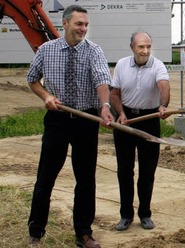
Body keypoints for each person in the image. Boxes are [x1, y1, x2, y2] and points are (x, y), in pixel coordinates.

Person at [26, 5, 112, 248]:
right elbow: (32, 79)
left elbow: (102, 79)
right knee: (46, 177)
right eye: (78, 24)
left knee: (86, 179)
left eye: (85, 24)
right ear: (65, 24)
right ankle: (36, 232)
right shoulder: (46, 50)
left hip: (86, 120)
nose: (83, 29)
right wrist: (45, 96)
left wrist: (105, 106)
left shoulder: (94, 51)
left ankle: (83, 233)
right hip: (58, 120)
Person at [110, 32, 170, 231]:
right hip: (125, 121)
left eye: (148, 47)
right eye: (141, 47)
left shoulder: (158, 65)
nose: (145, 51)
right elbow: (115, 93)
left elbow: (164, 87)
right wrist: (120, 113)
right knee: (124, 170)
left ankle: (145, 213)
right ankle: (125, 215)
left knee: (147, 171)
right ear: (132, 48)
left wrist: (163, 106)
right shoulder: (121, 65)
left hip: (150, 120)